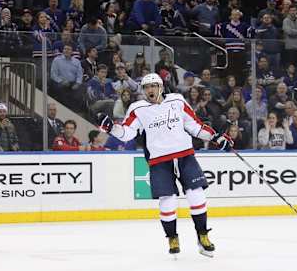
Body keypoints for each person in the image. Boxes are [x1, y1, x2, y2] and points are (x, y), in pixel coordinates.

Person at [98, 73, 233, 257]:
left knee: (197, 195)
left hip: (185, 156)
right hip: (159, 161)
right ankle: (172, 237)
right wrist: (112, 128)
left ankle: (202, 236)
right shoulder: (138, 108)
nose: (150, 90)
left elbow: (194, 125)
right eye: (146, 87)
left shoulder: (177, 100)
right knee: (167, 201)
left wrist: (215, 137)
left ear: (161, 86)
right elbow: (127, 133)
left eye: (153, 86)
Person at [50, 45, 85, 110]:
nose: (66, 50)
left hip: (73, 82)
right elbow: (53, 74)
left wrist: (78, 83)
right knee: (61, 88)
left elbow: (80, 75)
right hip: (60, 82)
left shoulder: (76, 61)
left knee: (82, 87)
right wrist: (61, 81)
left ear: (72, 52)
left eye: (68, 49)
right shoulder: (57, 60)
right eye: (65, 49)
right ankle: (67, 108)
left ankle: (77, 108)